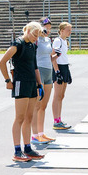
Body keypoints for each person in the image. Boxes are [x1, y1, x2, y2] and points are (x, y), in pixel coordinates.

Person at [0, 21, 45, 163]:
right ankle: (17, 150)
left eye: (38, 36)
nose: (36, 38)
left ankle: (27, 148)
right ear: (28, 31)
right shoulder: (18, 44)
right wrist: (8, 80)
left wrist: (39, 84)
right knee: (20, 117)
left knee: (29, 117)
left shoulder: (32, 45)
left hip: (31, 83)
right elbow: (2, 62)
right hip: (20, 83)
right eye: (34, 35)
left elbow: (35, 66)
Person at [32, 17, 56, 145]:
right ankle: (35, 135)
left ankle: (41, 133)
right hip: (39, 70)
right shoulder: (35, 39)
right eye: (45, 27)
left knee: (43, 106)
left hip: (48, 70)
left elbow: (49, 55)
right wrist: (38, 34)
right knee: (37, 104)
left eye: (49, 27)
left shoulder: (47, 40)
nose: (47, 29)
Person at [51, 21, 74, 130]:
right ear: (61, 30)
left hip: (65, 67)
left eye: (70, 30)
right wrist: (57, 71)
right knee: (57, 95)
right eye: (68, 30)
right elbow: (53, 56)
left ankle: (59, 119)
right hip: (59, 68)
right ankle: (56, 121)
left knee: (61, 96)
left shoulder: (65, 41)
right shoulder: (57, 40)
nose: (70, 32)